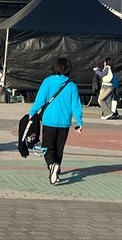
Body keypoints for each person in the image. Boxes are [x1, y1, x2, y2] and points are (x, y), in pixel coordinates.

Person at [28, 57, 83, 185]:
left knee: (47, 147)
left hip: (49, 121)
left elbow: (40, 101)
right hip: (64, 122)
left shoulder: (47, 82)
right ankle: (56, 172)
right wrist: (79, 122)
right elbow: (76, 106)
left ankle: (52, 166)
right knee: (59, 149)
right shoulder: (72, 86)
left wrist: (31, 113)